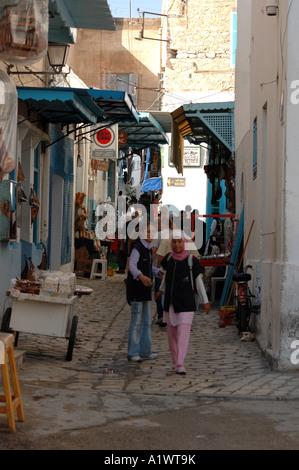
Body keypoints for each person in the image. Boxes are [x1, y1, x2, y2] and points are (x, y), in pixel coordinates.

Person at [156, 230, 210, 375]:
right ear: (171, 244)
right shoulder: (168, 259)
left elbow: (198, 281)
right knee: (171, 335)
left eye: (180, 241)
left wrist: (205, 301)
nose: (177, 244)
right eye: (174, 242)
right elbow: (166, 277)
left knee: (183, 333)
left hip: (186, 303)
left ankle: (180, 363)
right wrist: (161, 291)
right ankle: (175, 360)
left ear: (184, 243)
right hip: (170, 303)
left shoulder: (192, 261)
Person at [126, 221, 162, 362]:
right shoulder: (137, 248)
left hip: (146, 290)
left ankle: (145, 351)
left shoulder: (148, 248)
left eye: (152, 232)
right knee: (136, 322)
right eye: (148, 232)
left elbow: (149, 266)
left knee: (147, 321)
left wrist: (158, 272)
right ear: (141, 233)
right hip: (136, 290)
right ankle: (133, 352)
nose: (150, 234)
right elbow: (132, 267)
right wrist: (141, 276)